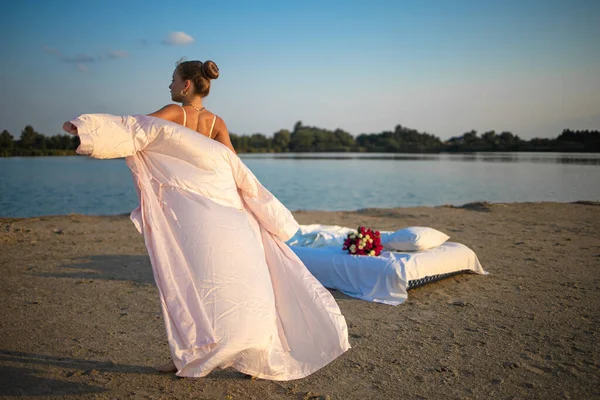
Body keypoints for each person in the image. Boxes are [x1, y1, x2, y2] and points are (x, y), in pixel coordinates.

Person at [63, 59, 350, 380]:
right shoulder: (216, 122)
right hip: (229, 211)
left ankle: (190, 354)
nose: (169, 85)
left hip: (195, 213)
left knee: (189, 282)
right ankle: (252, 353)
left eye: (172, 79)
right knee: (242, 284)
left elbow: (135, 130)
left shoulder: (174, 113)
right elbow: (232, 164)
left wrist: (89, 130)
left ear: (186, 85)